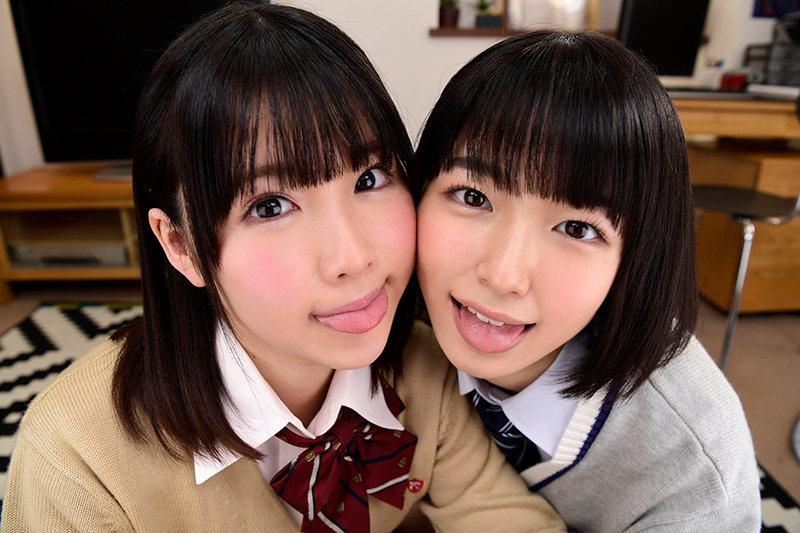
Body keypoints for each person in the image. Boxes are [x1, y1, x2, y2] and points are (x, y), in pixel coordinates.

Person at [1, 5, 565, 531]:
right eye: (269, 206)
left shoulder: (423, 367)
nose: (354, 258)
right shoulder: (76, 456)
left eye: (369, 178)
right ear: (181, 246)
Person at [415, 30, 761, 532]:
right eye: (473, 196)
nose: (503, 276)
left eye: (577, 229)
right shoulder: (379, 323)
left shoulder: (693, 474)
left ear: (637, 256)